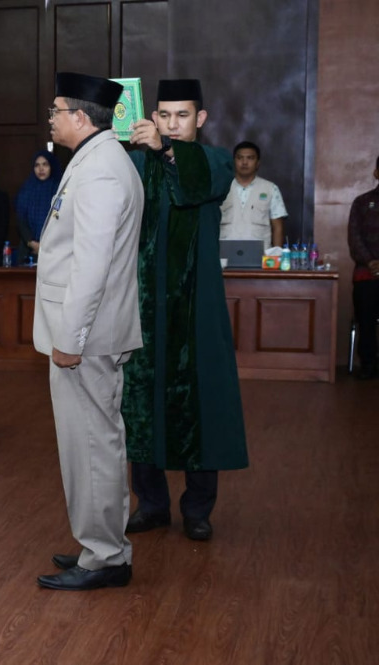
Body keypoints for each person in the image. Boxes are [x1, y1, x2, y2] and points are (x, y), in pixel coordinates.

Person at [122, 79, 249, 543]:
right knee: (141, 406)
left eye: (182, 115)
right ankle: (151, 503)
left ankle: (198, 508)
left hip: (198, 308)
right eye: (164, 115)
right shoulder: (136, 162)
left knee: (203, 404)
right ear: (152, 116)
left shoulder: (213, 160)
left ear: (201, 118)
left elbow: (198, 183)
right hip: (143, 307)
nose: (172, 124)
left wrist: (169, 151)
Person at [34, 73, 144, 592]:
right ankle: (102, 545)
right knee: (90, 443)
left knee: (93, 445)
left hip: (86, 337)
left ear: (80, 116)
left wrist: (69, 340)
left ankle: (105, 557)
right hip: (91, 333)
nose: (50, 118)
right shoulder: (96, 159)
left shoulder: (100, 170)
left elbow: (91, 267)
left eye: (56, 110)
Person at [219, 140, 288, 249]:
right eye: (240, 158)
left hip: (261, 258)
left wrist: (277, 257)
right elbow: (210, 224)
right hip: (224, 257)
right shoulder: (220, 187)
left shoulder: (270, 189)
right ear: (233, 161)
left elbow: (277, 227)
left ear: (258, 163)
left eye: (250, 158)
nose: (244, 162)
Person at [348, 154, 379, 380]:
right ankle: (368, 364)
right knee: (366, 320)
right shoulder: (362, 202)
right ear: (376, 173)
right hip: (367, 273)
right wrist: (371, 262)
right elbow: (355, 236)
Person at [15, 150, 64, 264]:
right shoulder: (26, 190)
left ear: (51, 166)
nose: (41, 169)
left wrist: (44, 245)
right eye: (37, 165)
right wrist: (31, 242)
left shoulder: (60, 191)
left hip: (54, 251)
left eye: (45, 164)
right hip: (28, 251)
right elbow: (21, 220)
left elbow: (60, 218)